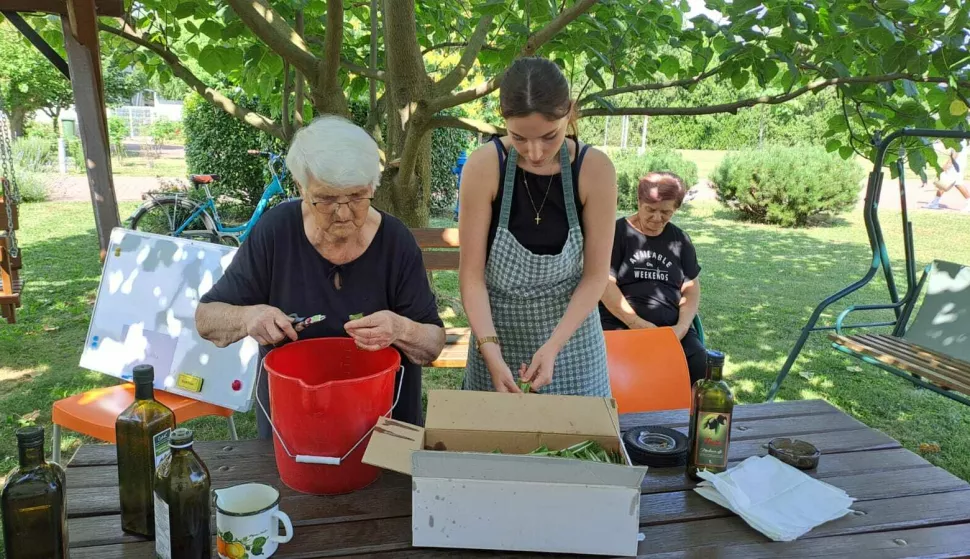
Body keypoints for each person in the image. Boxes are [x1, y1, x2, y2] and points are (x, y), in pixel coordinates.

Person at [195, 116, 446, 438]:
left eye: (356, 197)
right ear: (301, 187)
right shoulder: (277, 232)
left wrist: (401, 328)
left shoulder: (395, 241)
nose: (343, 213)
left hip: (385, 421)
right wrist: (249, 317)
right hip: (294, 419)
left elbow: (432, 344)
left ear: (372, 186)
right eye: (326, 199)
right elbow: (206, 319)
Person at [458, 57, 618, 395]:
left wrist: (553, 346)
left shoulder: (595, 170)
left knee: (579, 446)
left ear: (570, 113)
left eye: (549, 137)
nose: (533, 152)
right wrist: (489, 350)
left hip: (572, 343)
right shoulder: (484, 166)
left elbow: (594, 277)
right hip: (496, 340)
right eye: (519, 138)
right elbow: (472, 278)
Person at [599, 172, 706, 385]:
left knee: (699, 363)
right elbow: (605, 284)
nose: (657, 219)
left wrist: (682, 327)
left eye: (666, 212)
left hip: (671, 329)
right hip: (620, 325)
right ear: (639, 202)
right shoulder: (616, 233)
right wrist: (637, 324)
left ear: (676, 209)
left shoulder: (680, 240)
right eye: (650, 210)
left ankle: (688, 416)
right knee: (623, 371)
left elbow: (691, 287)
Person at [927, 139, 970, 211]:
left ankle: (935, 203)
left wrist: (948, 164)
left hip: (956, 164)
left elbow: (956, 152)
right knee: (946, 182)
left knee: (955, 183)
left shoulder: (958, 140)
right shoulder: (962, 139)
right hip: (959, 163)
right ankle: (935, 202)